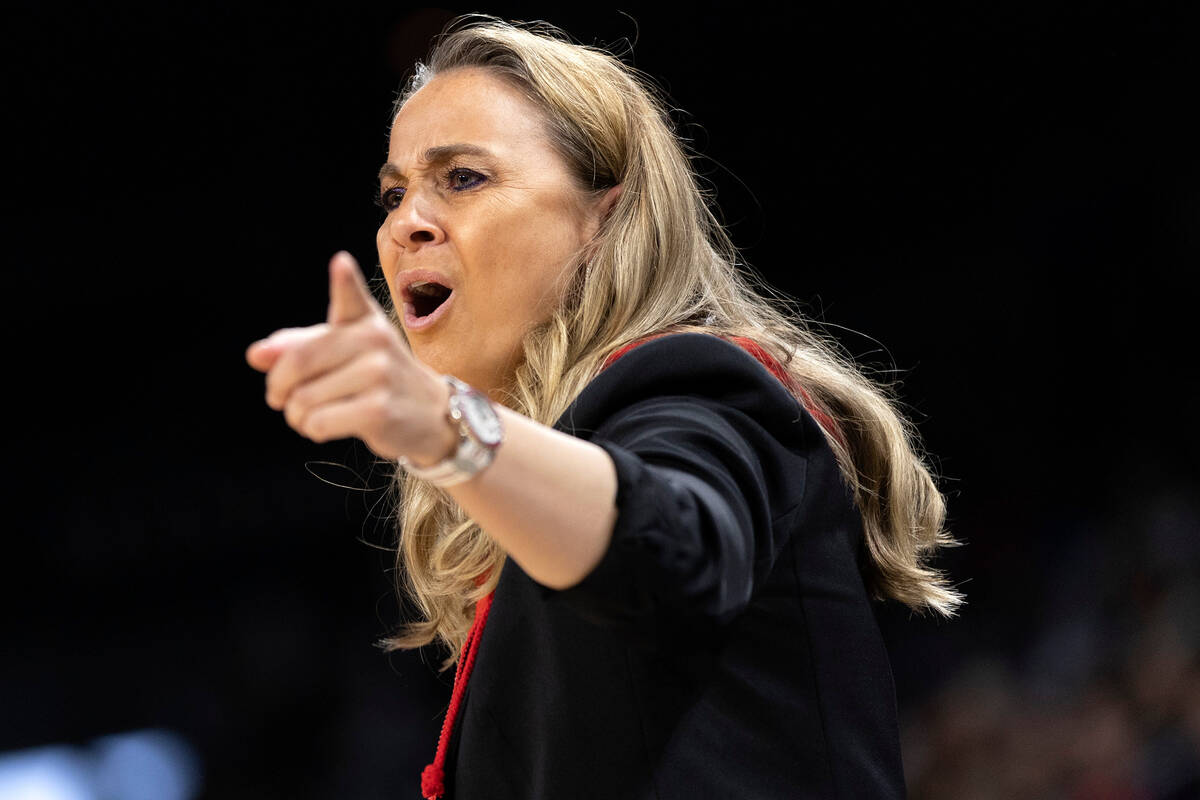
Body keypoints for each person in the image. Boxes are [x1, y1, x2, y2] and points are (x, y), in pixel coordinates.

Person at [245, 16, 962, 800]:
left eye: (463, 178)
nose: (405, 222)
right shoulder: (536, 509)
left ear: (604, 219)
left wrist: (444, 427)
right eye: (393, 192)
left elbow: (675, 554)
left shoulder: (697, 385)